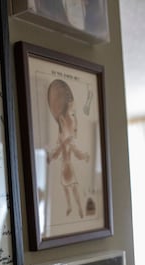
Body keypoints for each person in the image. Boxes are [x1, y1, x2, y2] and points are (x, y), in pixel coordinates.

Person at [47, 78, 90, 219]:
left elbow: (76, 153)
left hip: (68, 168)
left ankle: (78, 207)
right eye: (73, 114)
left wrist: (84, 156)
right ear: (62, 120)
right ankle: (71, 206)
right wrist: (51, 156)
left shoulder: (68, 142)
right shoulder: (63, 141)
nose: (76, 121)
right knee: (67, 188)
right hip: (64, 169)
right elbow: (57, 152)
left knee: (74, 188)